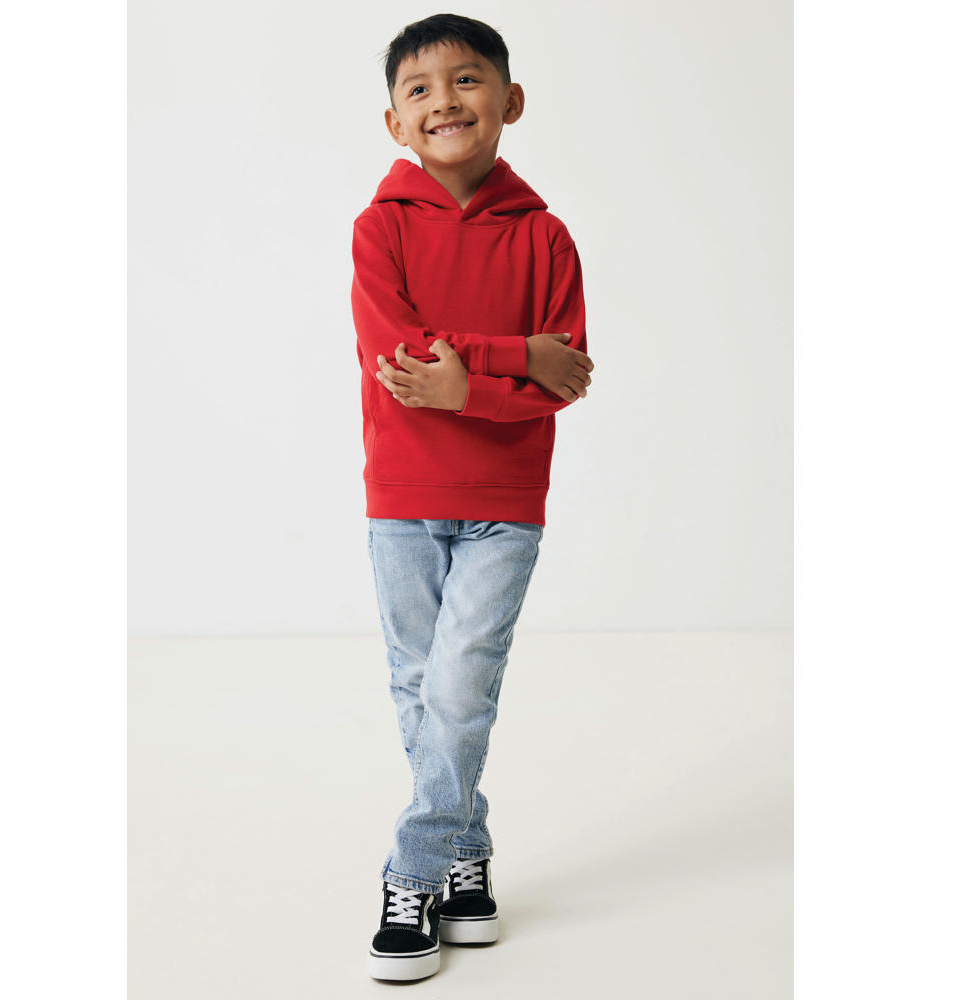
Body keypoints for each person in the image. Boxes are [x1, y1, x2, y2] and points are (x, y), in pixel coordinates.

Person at [351, 13, 594, 982]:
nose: (444, 100)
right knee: (423, 689)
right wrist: (511, 356)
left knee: (459, 690)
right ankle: (467, 849)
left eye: (467, 79)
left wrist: (475, 381)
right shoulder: (379, 228)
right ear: (394, 122)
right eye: (419, 88)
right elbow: (399, 358)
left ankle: (411, 870)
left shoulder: (547, 237)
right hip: (402, 497)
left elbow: (566, 375)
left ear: (509, 100)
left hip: (507, 497)